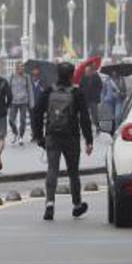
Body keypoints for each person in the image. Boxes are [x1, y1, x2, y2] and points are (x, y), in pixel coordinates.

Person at [31, 62, 93, 221]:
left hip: (52, 136)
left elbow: (36, 113)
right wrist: (89, 140)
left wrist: (38, 136)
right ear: (72, 75)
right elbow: (85, 117)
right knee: (73, 173)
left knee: (52, 170)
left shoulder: (48, 91)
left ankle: (50, 204)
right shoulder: (77, 93)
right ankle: (77, 204)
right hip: (71, 137)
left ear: (57, 75)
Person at [7, 64, 33, 145]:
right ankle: (15, 133)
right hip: (13, 101)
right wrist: (7, 101)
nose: (21, 69)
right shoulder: (12, 77)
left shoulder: (26, 77)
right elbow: (8, 89)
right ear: (16, 69)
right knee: (11, 120)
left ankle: (21, 136)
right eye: (20, 68)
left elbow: (30, 90)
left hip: (23, 101)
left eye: (23, 68)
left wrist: (31, 102)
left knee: (23, 120)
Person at [76, 60, 104, 136]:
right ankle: (82, 128)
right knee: (83, 114)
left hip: (93, 99)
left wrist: (96, 93)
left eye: (89, 70)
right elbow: (80, 86)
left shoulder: (96, 77)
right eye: (87, 70)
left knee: (94, 114)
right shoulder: (84, 76)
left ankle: (97, 127)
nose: (87, 71)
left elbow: (100, 86)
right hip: (85, 98)